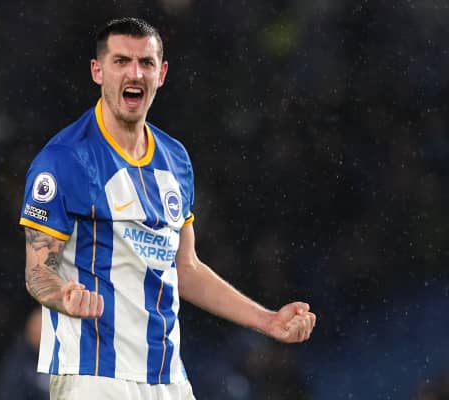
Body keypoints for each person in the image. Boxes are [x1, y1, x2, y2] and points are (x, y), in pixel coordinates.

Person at [19, 17, 316, 400]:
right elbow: (37, 271)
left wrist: (268, 320)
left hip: (168, 377)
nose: (135, 73)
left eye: (146, 62)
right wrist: (64, 295)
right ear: (97, 71)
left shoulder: (175, 159)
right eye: (121, 61)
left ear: (161, 74)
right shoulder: (64, 159)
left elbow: (186, 268)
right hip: (93, 375)